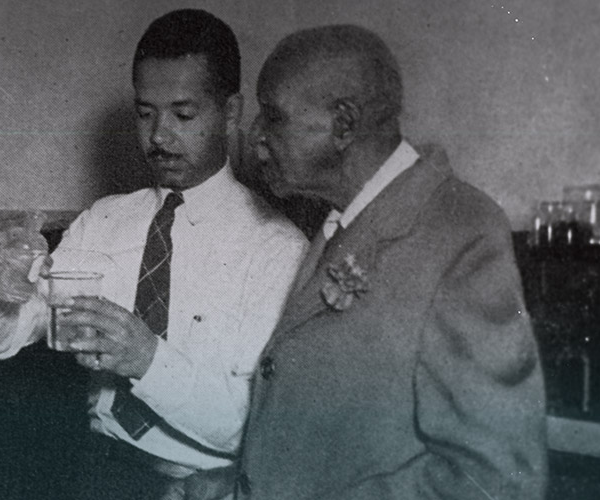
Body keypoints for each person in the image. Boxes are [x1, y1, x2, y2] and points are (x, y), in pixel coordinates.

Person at [0, 9, 308, 500]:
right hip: (98, 476)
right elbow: (0, 338)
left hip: (204, 490)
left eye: (183, 115)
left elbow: (254, 424)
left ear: (231, 113)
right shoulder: (103, 222)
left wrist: (147, 360)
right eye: (145, 113)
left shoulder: (275, 249)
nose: (160, 137)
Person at [232, 25, 548, 499]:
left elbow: (496, 478)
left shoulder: (461, 230)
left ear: (343, 124)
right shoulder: (338, 222)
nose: (255, 137)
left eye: (273, 116)